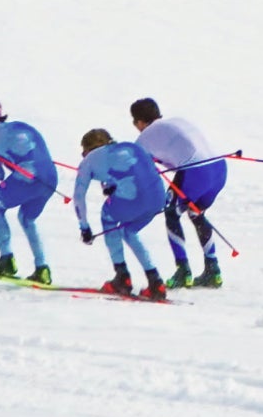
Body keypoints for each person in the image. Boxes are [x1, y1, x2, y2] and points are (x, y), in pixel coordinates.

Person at [131, 96, 227, 289]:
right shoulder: (177, 121)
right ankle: (213, 270)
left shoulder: (143, 139)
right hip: (219, 168)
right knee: (196, 213)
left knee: (171, 213)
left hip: (196, 171)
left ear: (140, 122)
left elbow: (138, 172)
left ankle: (183, 271)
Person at [73, 125, 169, 299]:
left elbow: (79, 197)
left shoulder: (89, 161)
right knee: (128, 231)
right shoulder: (132, 146)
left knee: (107, 216)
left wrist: (84, 227)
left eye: (84, 151)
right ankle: (155, 281)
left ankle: (122, 277)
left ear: (90, 149)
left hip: (135, 200)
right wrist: (113, 186)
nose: (83, 156)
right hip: (158, 199)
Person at [0, 100, 56, 284]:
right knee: (27, 219)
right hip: (51, 178)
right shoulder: (23, 126)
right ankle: (42, 268)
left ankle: (6, 260)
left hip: (28, 177)